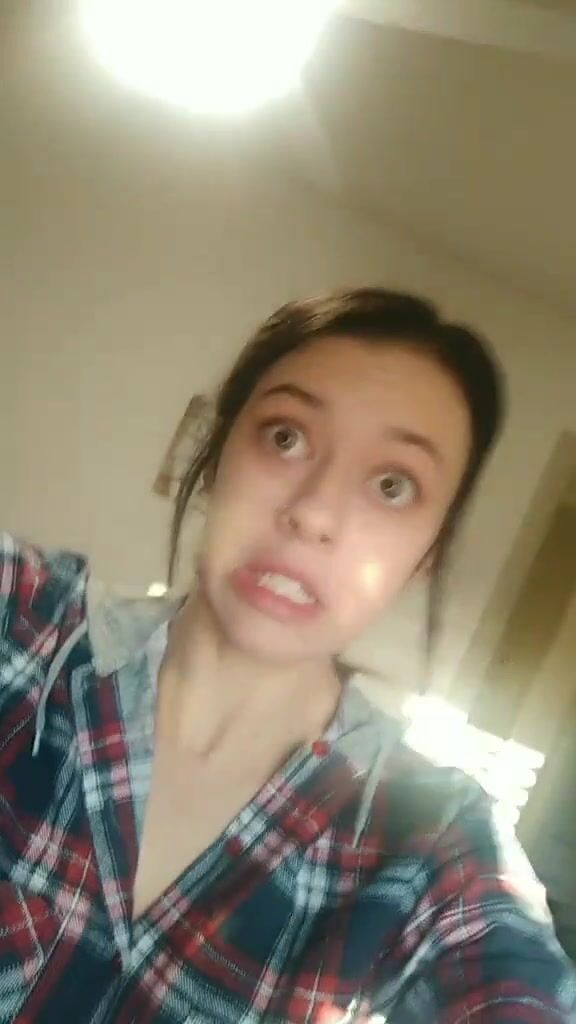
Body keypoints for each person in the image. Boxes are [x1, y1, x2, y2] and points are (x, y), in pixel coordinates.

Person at [0, 288, 573, 1024]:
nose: (313, 512)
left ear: (427, 553)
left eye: (392, 485)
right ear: (215, 457)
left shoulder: (433, 839)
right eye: (285, 437)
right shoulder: (24, 623)